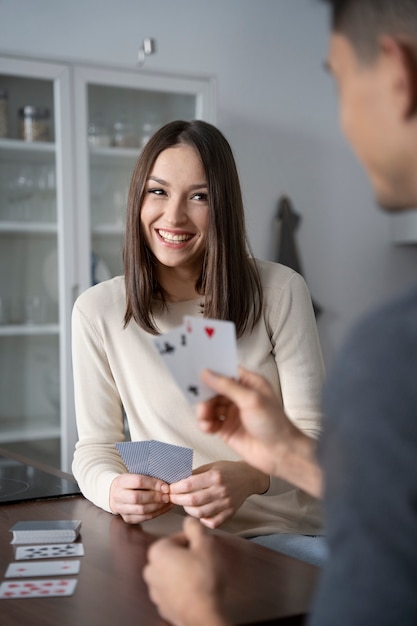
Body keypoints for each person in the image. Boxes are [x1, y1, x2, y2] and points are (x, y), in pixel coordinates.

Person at [143, 1, 417, 624]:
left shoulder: (390, 354)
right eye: (159, 193)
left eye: (340, 82)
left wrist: (199, 613)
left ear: (397, 77)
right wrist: (285, 455)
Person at [71, 119, 326, 562]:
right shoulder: (98, 311)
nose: (173, 216)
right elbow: (95, 447)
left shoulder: (281, 291)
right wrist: (113, 489)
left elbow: (314, 438)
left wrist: (251, 477)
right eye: (158, 191)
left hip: (282, 534)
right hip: (176, 541)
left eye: (199, 196)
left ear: (223, 206)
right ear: (137, 199)